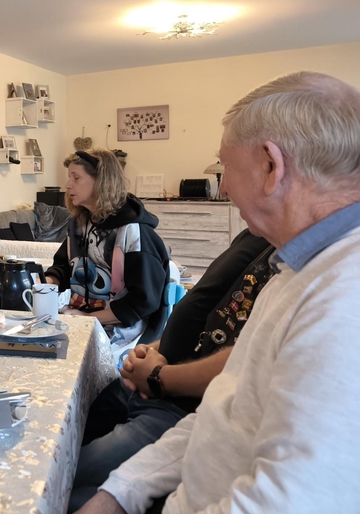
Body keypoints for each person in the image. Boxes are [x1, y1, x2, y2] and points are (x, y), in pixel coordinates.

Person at [78, 71, 360, 514]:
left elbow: (284, 503)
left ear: (271, 166)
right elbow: (223, 412)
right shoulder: (294, 269)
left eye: (226, 165)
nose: (223, 187)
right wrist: (120, 491)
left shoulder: (343, 299)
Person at [68, 229, 273, 511]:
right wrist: (154, 349)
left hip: (176, 405)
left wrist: (158, 377)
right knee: (65, 441)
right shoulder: (258, 237)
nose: (232, 203)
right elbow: (206, 312)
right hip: (153, 381)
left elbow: (243, 361)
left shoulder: (299, 273)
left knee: (64, 476)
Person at [45, 149, 169, 347]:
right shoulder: (79, 224)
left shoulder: (134, 233)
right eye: (69, 177)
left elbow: (143, 302)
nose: (68, 185)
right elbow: (64, 268)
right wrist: (41, 283)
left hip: (125, 334)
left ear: (102, 182)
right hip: (79, 320)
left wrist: (88, 319)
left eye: (76, 178)